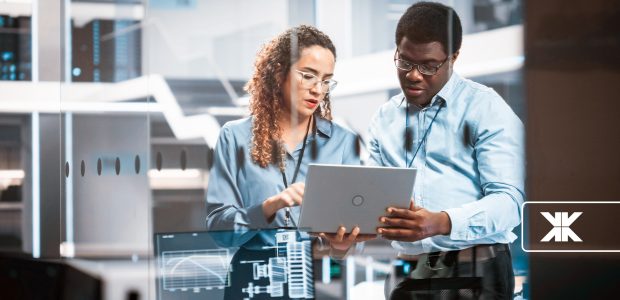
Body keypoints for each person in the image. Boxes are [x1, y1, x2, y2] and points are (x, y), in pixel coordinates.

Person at [368, 2, 525, 299]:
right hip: (408, 274)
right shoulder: (383, 119)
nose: (414, 75)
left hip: (475, 274)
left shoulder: (486, 108)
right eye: (404, 62)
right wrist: (350, 228)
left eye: (429, 66)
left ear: (453, 58)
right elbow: (372, 201)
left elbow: (509, 203)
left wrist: (440, 222)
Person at [205, 25, 366, 299]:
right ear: (279, 73)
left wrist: (341, 246)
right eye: (308, 76)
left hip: (309, 274)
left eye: (327, 80)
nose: (319, 89)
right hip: (249, 279)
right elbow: (219, 229)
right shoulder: (235, 137)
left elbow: (353, 235)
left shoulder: (343, 142)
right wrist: (270, 206)